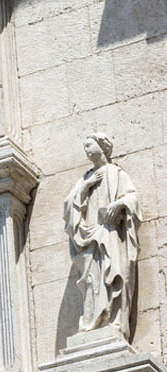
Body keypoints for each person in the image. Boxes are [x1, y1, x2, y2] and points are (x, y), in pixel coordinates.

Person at [64, 133, 140, 340]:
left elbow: (132, 197)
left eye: (89, 145)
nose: (86, 149)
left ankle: (115, 321)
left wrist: (118, 204)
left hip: (111, 234)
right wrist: (85, 186)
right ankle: (92, 323)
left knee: (116, 273)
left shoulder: (116, 173)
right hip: (90, 237)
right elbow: (69, 204)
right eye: (85, 146)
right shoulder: (85, 178)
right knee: (91, 279)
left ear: (102, 146)